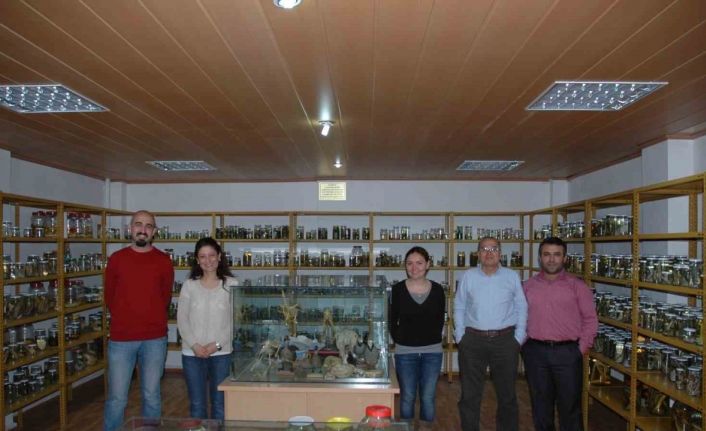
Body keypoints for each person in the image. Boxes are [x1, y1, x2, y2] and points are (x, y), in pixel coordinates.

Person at [104, 210, 174, 431]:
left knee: (151, 395)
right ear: (130, 229)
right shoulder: (116, 259)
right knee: (117, 398)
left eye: (148, 226)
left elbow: (165, 297)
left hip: (154, 339)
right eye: (138, 224)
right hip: (121, 339)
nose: (143, 230)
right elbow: (109, 296)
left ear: (154, 232)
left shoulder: (163, 261)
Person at [522, 237, 598, 431]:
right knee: (541, 407)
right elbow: (518, 316)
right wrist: (523, 343)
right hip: (535, 352)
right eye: (547, 254)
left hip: (568, 353)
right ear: (540, 257)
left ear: (564, 258)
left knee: (570, 408)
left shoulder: (577, 286)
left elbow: (590, 320)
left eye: (557, 255)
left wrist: (580, 349)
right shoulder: (527, 286)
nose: (551, 259)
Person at [453, 237, 527, 431]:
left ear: (500, 253)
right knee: (469, 395)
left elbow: (521, 306)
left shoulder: (511, 276)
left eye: (493, 249)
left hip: (505, 341)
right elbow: (459, 306)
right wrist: (460, 336)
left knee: (507, 395)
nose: (489, 253)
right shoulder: (468, 276)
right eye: (484, 249)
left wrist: (518, 337)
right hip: (472, 341)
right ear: (478, 254)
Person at [177, 237, 237, 420]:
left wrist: (216, 345)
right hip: (192, 354)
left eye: (211, 255)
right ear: (197, 259)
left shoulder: (232, 284)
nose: (208, 260)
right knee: (197, 405)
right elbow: (182, 319)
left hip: (222, 353)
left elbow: (235, 322)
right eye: (202, 256)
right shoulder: (189, 285)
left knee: (220, 404)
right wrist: (194, 345)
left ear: (219, 256)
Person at [389, 246, 446, 430]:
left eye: (419, 263)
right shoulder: (397, 290)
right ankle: (406, 428)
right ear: (405, 266)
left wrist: (431, 338)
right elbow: (391, 320)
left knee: (428, 396)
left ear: (428, 264)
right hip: (405, 352)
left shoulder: (438, 290)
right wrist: (400, 339)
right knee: (407, 395)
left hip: (433, 352)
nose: (414, 268)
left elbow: (440, 319)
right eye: (409, 263)